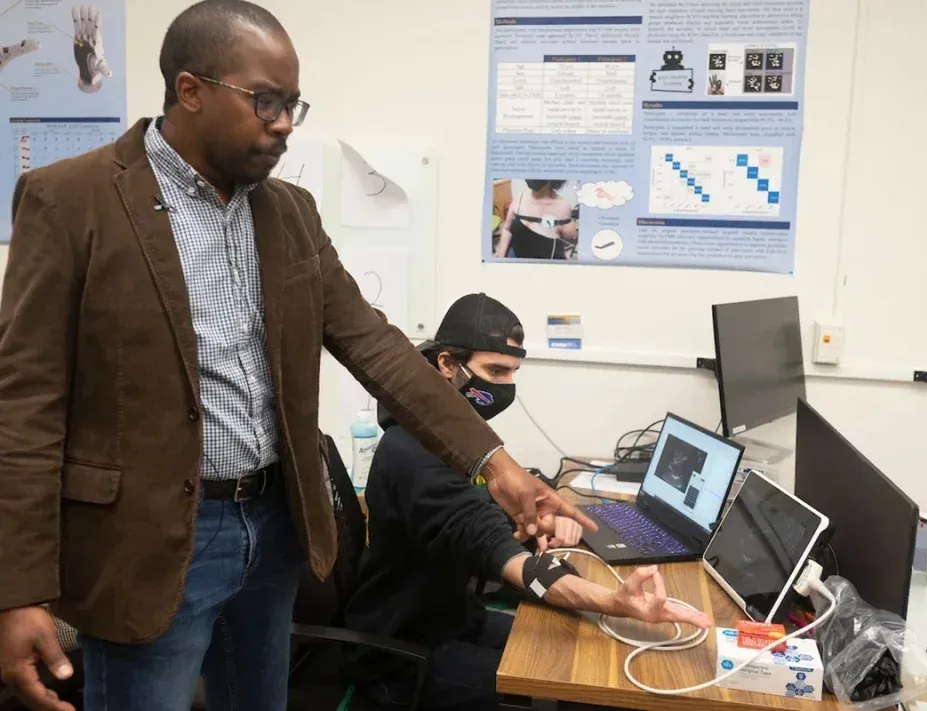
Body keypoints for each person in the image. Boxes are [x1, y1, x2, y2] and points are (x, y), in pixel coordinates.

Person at [0, 3, 596, 710]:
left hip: (274, 526)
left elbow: (380, 350)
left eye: (292, 105)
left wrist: (498, 469)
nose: (283, 122)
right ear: (191, 90)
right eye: (267, 101)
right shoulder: (72, 200)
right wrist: (18, 589)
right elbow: (25, 409)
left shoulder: (289, 213)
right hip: (147, 544)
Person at [343, 294, 712, 710]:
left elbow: (481, 513)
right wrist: (613, 601)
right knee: (576, 678)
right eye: (494, 371)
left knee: (590, 644)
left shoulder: (460, 441)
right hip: (403, 655)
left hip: (456, 618)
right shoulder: (412, 453)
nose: (504, 386)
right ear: (446, 365)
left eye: (512, 372)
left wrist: (529, 520)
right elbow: (489, 545)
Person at [496, 179, 577, 260]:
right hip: (515, 255)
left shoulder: (562, 207)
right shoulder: (519, 198)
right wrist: (500, 257)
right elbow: (507, 229)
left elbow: (570, 241)